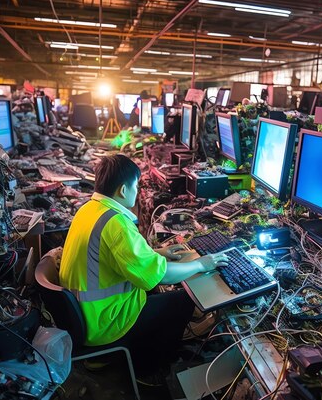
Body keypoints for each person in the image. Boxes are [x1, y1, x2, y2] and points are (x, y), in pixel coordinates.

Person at [59, 154, 227, 374]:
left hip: (86, 315)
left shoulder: (89, 210)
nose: (138, 192)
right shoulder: (116, 223)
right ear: (122, 190)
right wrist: (201, 265)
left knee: (159, 294)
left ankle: (119, 353)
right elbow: (160, 276)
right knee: (183, 300)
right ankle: (150, 371)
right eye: (136, 186)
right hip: (104, 322)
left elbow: (115, 255)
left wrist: (159, 253)